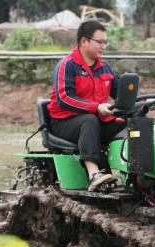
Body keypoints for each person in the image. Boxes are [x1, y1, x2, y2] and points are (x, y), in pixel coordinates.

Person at [48, 20, 126, 192]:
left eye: (106, 42)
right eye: (100, 42)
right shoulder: (67, 65)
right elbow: (64, 98)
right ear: (84, 41)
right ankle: (93, 174)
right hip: (64, 123)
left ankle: (135, 175)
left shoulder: (105, 68)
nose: (104, 46)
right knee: (90, 120)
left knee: (129, 120)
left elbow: (122, 96)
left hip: (97, 121)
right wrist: (96, 107)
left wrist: (141, 104)